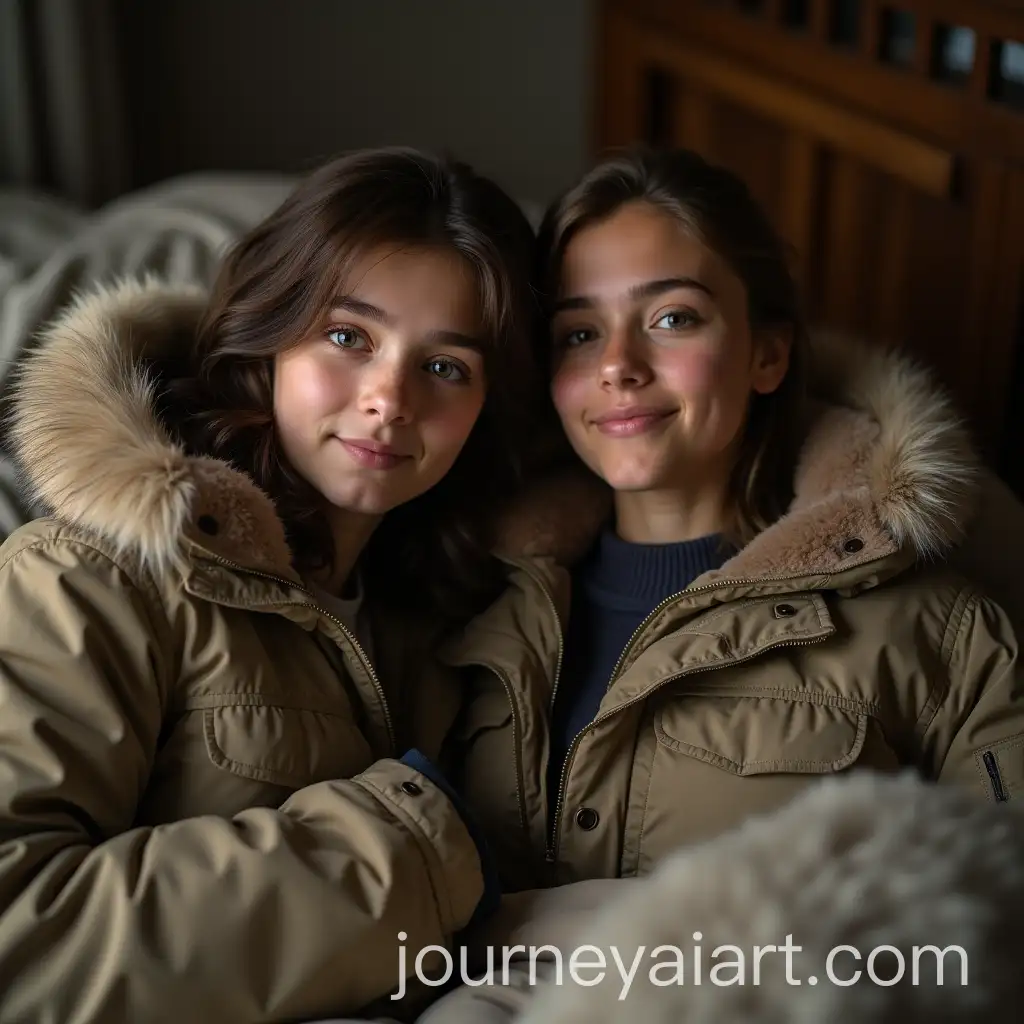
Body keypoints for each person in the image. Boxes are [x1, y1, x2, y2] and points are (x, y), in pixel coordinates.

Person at [0, 147, 543, 1023]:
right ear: (267, 337)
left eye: (446, 368)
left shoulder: (450, 625)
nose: (389, 399)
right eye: (348, 337)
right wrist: (408, 855)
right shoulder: (85, 576)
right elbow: (14, 936)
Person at [439, 144, 1024, 895]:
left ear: (767, 355)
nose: (619, 364)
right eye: (580, 333)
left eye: (673, 317)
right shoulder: (471, 604)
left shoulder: (937, 637)